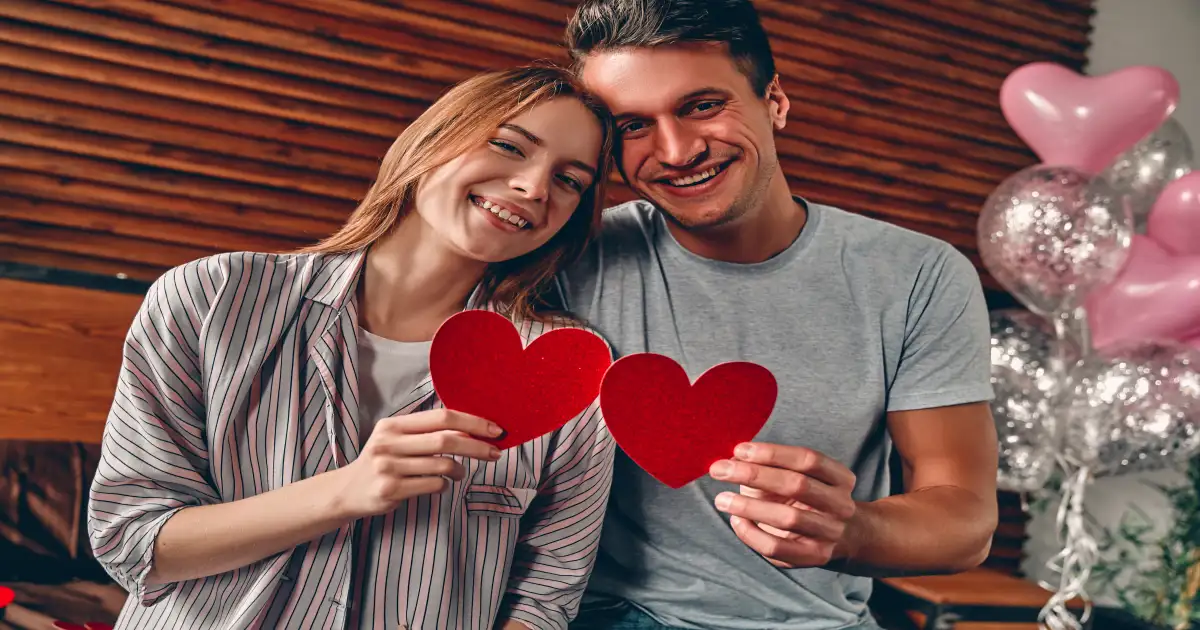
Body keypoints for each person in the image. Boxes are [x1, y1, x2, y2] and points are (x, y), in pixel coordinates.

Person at [87, 66, 617, 630]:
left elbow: (545, 595)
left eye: (569, 181)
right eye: (509, 145)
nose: (534, 188)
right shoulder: (214, 297)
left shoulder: (571, 370)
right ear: (432, 139)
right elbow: (132, 540)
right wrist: (343, 492)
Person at [554, 1, 1000, 629]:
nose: (676, 151)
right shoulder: (571, 257)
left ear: (776, 102)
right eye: (632, 126)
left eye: (702, 106)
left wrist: (853, 530)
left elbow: (966, 519)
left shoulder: (918, 275)